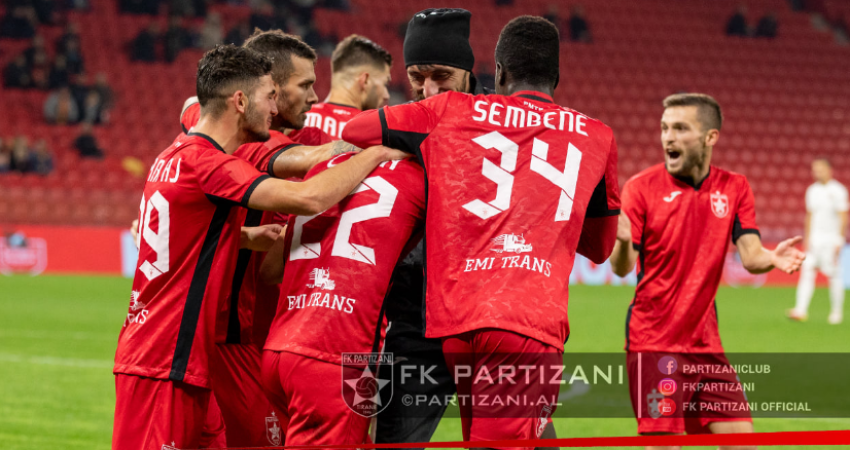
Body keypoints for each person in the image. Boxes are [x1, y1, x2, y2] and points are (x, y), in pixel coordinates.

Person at [344, 15, 621, 448]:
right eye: (418, 77)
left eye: (439, 77)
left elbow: (354, 130)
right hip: (524, 321)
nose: (429, 88)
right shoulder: (597, 134)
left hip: (454, 321)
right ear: (556, 77)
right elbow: (601, 247)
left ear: (498, 72)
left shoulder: (449, 113)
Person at [111, 44, 406, 450]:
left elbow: (186, 231)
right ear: (240, 101)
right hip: (163, 359)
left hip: (182, 356)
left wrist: (248, 237)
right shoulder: (212, 164)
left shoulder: (179, 151)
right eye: (269, 96)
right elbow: (309, 198)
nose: (274, 106)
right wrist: (377, 153)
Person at [608, 93, 805, 446]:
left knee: (742, 439)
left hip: (706, 345)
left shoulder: (734, 187)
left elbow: (751, 256)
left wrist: (772, 258)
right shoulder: (641, 188)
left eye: (680, 128)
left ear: (710, 137)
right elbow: (622, 268)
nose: (668, 137)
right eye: (665, 128)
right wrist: (622, 241)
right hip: (655, 342)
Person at [258, 140, 425, 448]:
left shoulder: (324, 169)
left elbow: (269, 271)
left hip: (280, 353)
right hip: (336, 358)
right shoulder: (420, 177)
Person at [291, 34, 392, 141]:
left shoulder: (296, 120)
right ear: (365, 80)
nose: (386, 95)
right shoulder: (376, 132)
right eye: (384, 83)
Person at [789, 158, 847, 324]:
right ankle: (800, 309)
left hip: (831, 240)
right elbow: (810, 216)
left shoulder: (838, 191)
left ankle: (836, 312)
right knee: (806, 272)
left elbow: (843, 216)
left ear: (829, 170)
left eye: (820, 169)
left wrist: (839, 239)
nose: (816, 173)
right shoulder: (812, 190)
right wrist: (807, 238)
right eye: (814, 170)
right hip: (815, 240)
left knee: (834, 275)